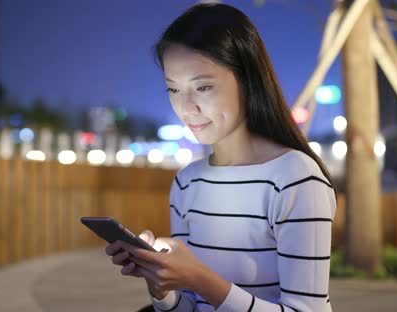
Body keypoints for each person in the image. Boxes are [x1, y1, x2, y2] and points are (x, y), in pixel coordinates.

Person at [105, 3, 337, 312]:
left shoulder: (295, 178)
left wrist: (200, 278)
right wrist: (160, 282)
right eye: (173, 89)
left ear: (248, 79)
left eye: (203, 87)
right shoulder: (187, 182)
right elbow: (188, 306)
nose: (187, 108)